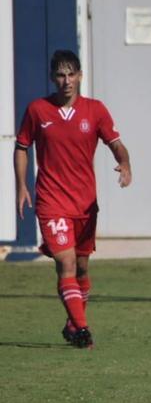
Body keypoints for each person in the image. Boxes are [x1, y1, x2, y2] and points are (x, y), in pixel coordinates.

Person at [14, 49, 132, 349]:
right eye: (60, 75)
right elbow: (22, 147)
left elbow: (116, 144)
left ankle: (71, 323)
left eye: (71, 74)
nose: (66, 80)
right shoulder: (38, 110)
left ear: (80, 76)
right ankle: (82, 330)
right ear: (53, 78)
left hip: (84, 204)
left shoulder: (95, 110)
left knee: (81, 268)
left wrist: (126, 163)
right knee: (65, 263)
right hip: (52, 201)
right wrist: (21, 185)